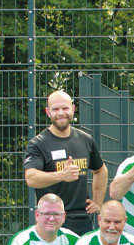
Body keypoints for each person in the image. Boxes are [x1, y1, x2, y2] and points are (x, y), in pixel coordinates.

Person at [24, 90, 108, 235]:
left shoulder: (85, 140)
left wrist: (98, 202)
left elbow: (100, 171)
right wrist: (61, 175)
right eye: (55, 109)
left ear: (73, 109)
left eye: (65, 108)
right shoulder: (38, 144)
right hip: (51, 219)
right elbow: (31, 178)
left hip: (81, 220)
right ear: (48, 112)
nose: (61, 113)